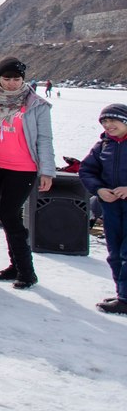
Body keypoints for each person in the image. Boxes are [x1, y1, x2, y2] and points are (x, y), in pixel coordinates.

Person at [0, 56, 55, 289]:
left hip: (23, 168)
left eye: (16, 78)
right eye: (7, 78)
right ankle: (15, 265)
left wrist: (47, 171)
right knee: (5, 216)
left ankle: (26, 270)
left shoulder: (36, 104)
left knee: (10, 215)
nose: (12, 83)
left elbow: (44, 139)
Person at [77, 104, 127, 314]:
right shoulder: (103, 146)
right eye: (104, 122)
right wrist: (99, 189)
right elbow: (86, 170)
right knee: (114, 253)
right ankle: (122, 294)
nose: (108, 125)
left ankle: (125, 298)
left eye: (113, 121)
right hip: (111, 207)